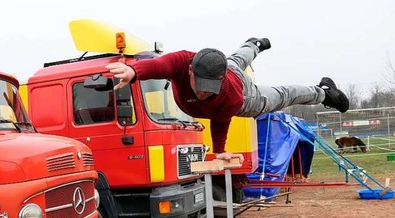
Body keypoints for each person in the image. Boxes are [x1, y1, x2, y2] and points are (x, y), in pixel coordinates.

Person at [106, 38, 349, 161]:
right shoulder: (183, 61)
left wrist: (219, 150)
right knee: (235, 59)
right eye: (200, 87)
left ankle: (323, 91)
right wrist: (135, 71)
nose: (203, 93)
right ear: (191, 70)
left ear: (218, 80)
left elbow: (220, 122)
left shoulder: (230, 97)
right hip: (226, 68)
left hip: (246, 97)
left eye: (209, 89)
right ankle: (254, 43)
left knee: (283, 95)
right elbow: (161, 64)